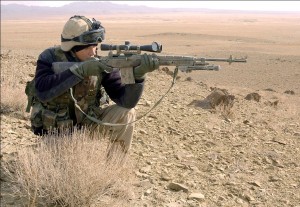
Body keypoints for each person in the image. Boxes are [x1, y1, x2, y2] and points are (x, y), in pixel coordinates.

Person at [29, 15, 158, 154]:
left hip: (88, 125)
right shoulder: (50, 57)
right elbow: (43, 92)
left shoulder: (100, 62)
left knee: (127, 113)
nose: (93, 51)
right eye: (88, 47)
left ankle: (114, 170)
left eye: (95, 46)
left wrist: (138, 77)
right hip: (56, 132)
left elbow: (126, 101)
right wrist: (79, 71)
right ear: (73, 46)